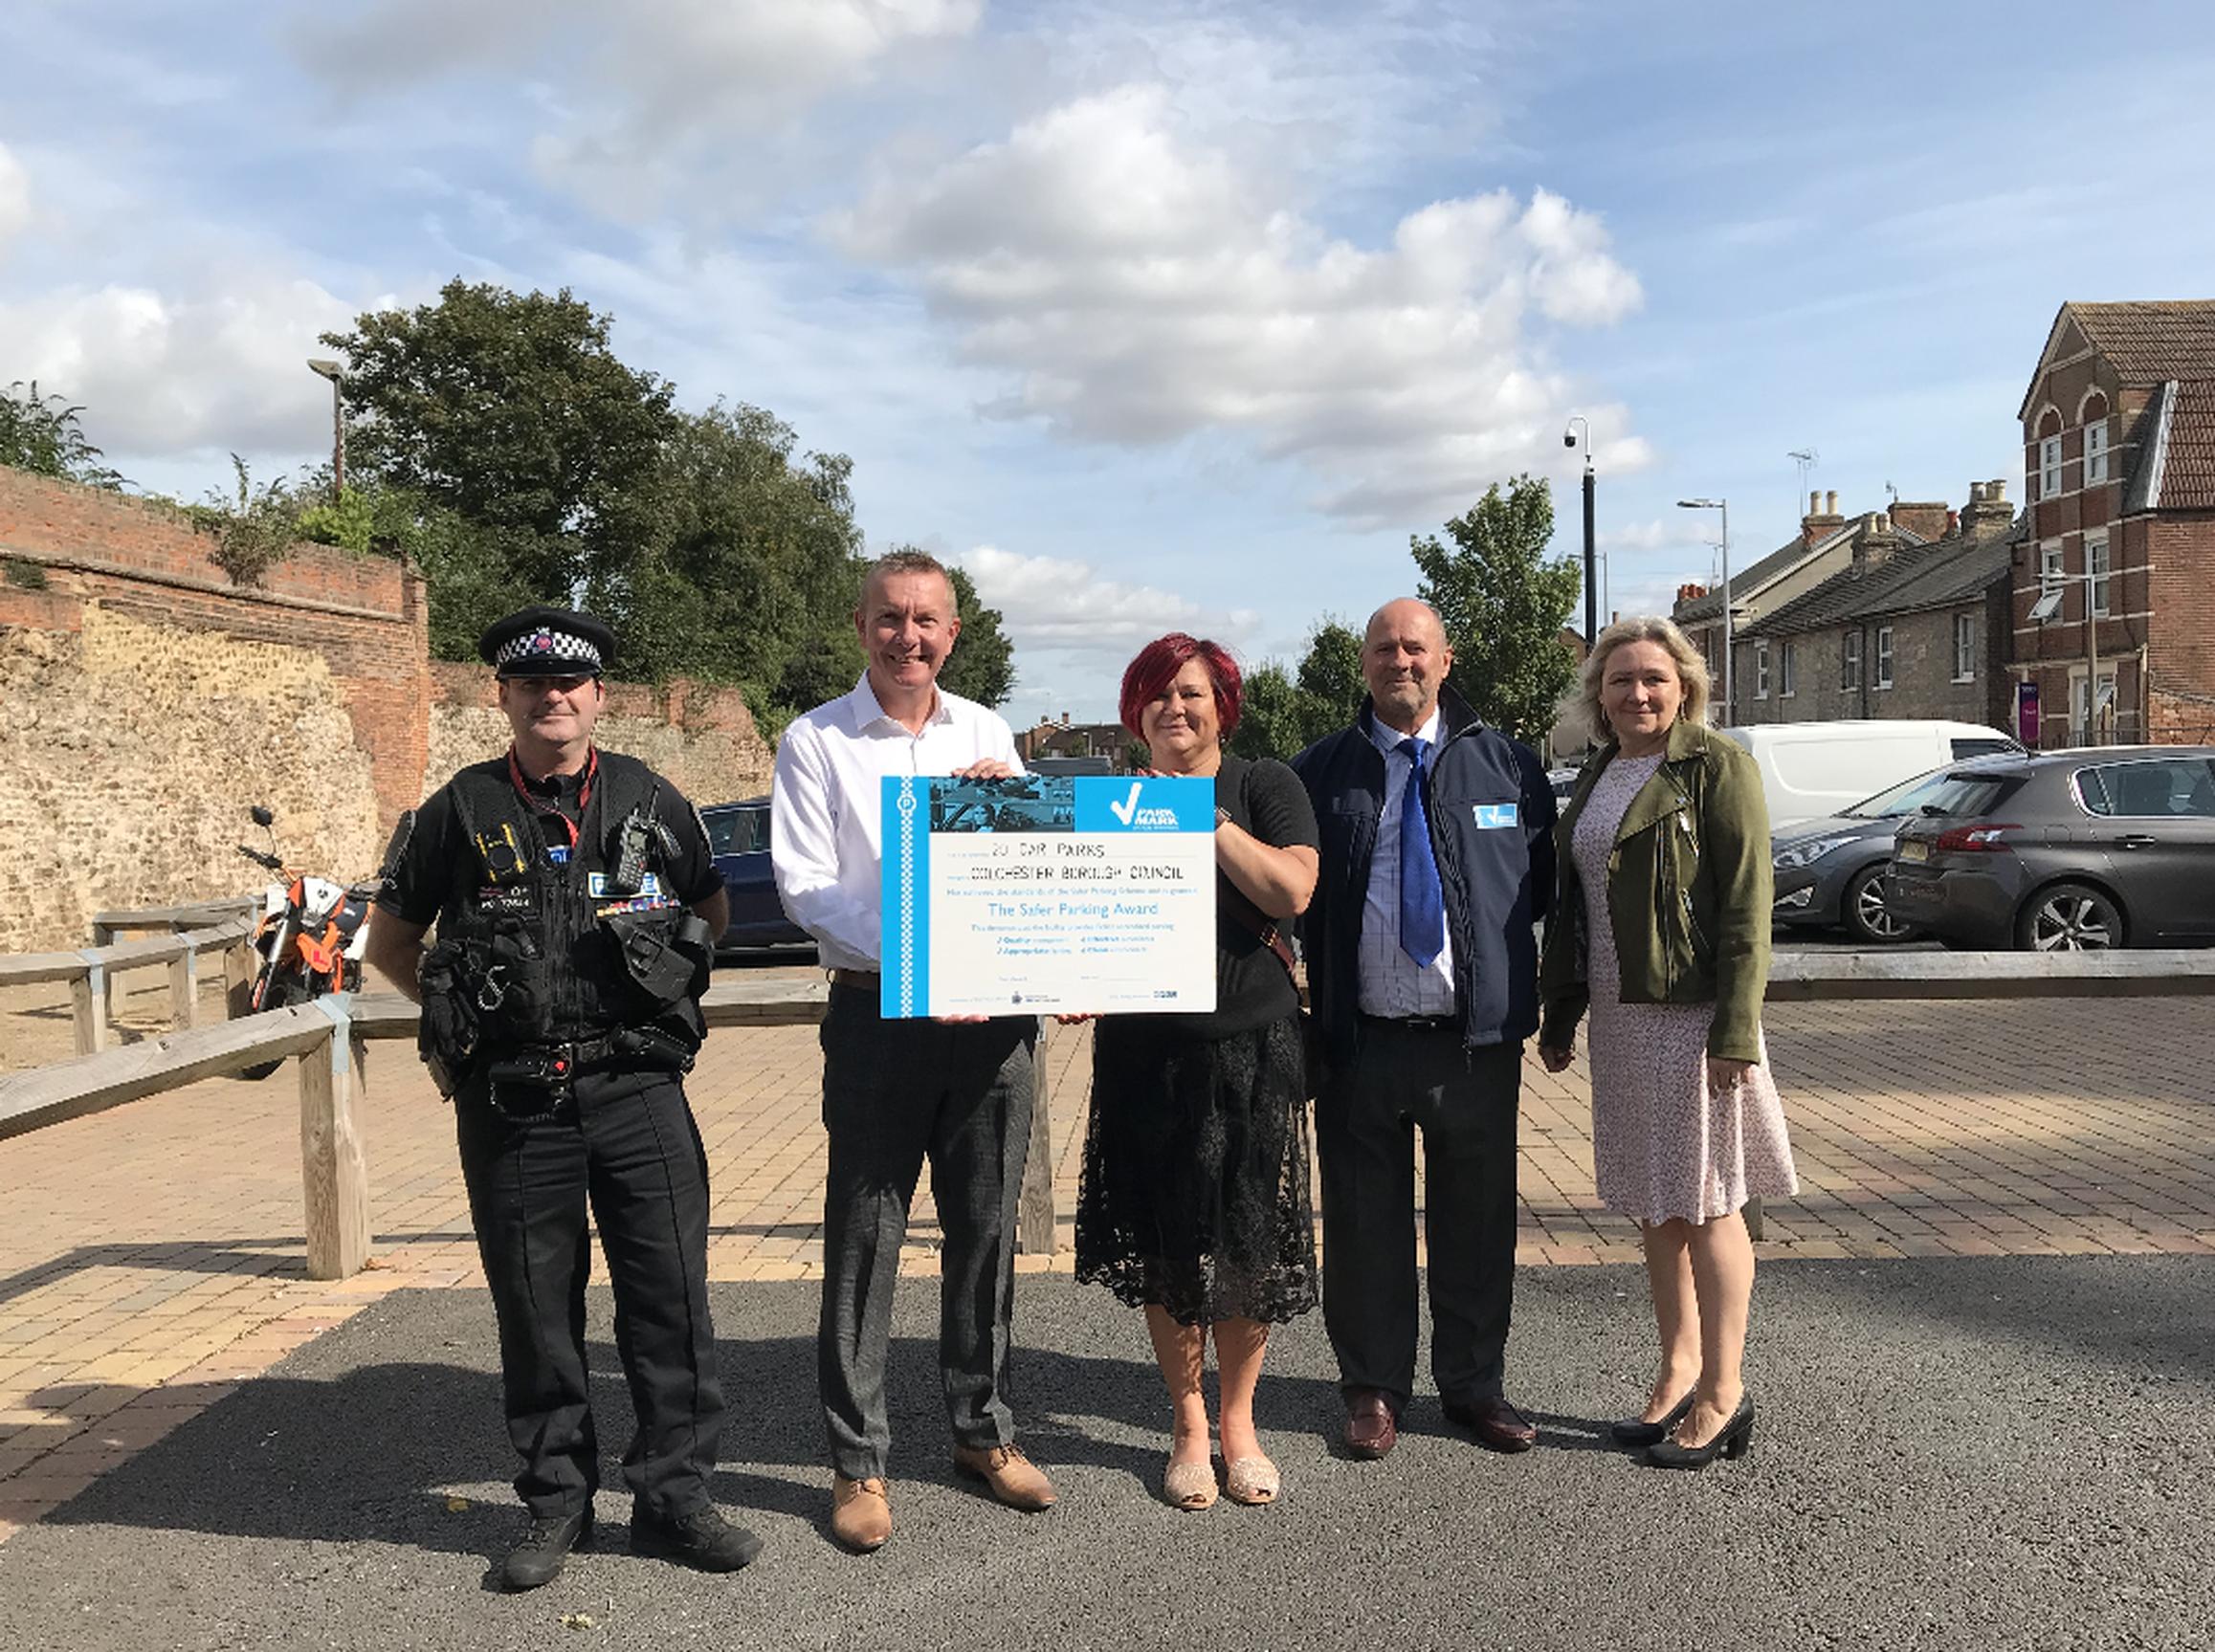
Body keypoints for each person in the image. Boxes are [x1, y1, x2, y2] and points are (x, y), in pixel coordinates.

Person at [365, 606, 760, 1592]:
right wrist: (466, 1013)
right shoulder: (456, 810)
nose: (553, 695)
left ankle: (673, 1497)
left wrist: (670, 974)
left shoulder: (650, 796)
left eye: (571, 681)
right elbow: (389, 945)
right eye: (531, 681)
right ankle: (556, 1502)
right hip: (512, 1100)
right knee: (537, 1310)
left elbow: (711, 908)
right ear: (502, 693)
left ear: (596, 694)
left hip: (638, 1086)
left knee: (668, 1300)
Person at [770, 549, 1056, 1553]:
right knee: (865, 1234)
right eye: (889, 617)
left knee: (985, 1233)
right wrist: (925, 957)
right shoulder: (814, 740)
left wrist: (1005, 803)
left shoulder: (987, 731)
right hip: (879, 1018)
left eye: (926, 619)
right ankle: (857, 1461)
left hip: (990, 1031)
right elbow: (809, 889)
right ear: (861, 626)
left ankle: (981, 1432)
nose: (908, 636)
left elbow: (1033, 868)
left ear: (952, 631)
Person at [1291, 598, 1556, 1459]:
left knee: (1475, 1223)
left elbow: (1540, 889)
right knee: (1364, 1224)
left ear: (1445, 660)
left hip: (1472, 1045)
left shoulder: (1509, 766)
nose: (1398, 661)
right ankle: (1371, 1388)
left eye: (1414, 647)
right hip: (1358, 1041)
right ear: (1362, 664)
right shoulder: (1317, 771)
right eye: (1382, 649)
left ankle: (1474, 1385)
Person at [1537, 616, 1797, 1469]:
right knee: (1657, 1204)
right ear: (1597, 695)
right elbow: (1580, 906)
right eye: (1619, 681)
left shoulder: (1717, 766)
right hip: (1621, 1016)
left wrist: (1734, 1031)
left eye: (1653, 678)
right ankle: (1677, 1367)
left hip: (1691, 1019)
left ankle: (1722, 1390)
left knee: (1712, 1201)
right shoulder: (1603, 771)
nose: (1636, 693)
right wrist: (1562, 1012)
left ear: (1684, 683)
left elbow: (1747, 908)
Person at [1074, 634, 1321, 1511]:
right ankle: (1186, 1425)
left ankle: (1239, 1423)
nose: (1175, 709)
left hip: (1252, 1043)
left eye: (1193, 693)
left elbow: (1291, 892)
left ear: (1222, 705)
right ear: (1134, 710)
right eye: (1157, 695)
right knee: (1170, 1240)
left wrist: (1204, 819)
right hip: (1148, 1048)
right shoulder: (1106, 799)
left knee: (1248, 1237)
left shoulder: (1264, 785)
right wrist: (1070, 976)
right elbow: (1071, 909)